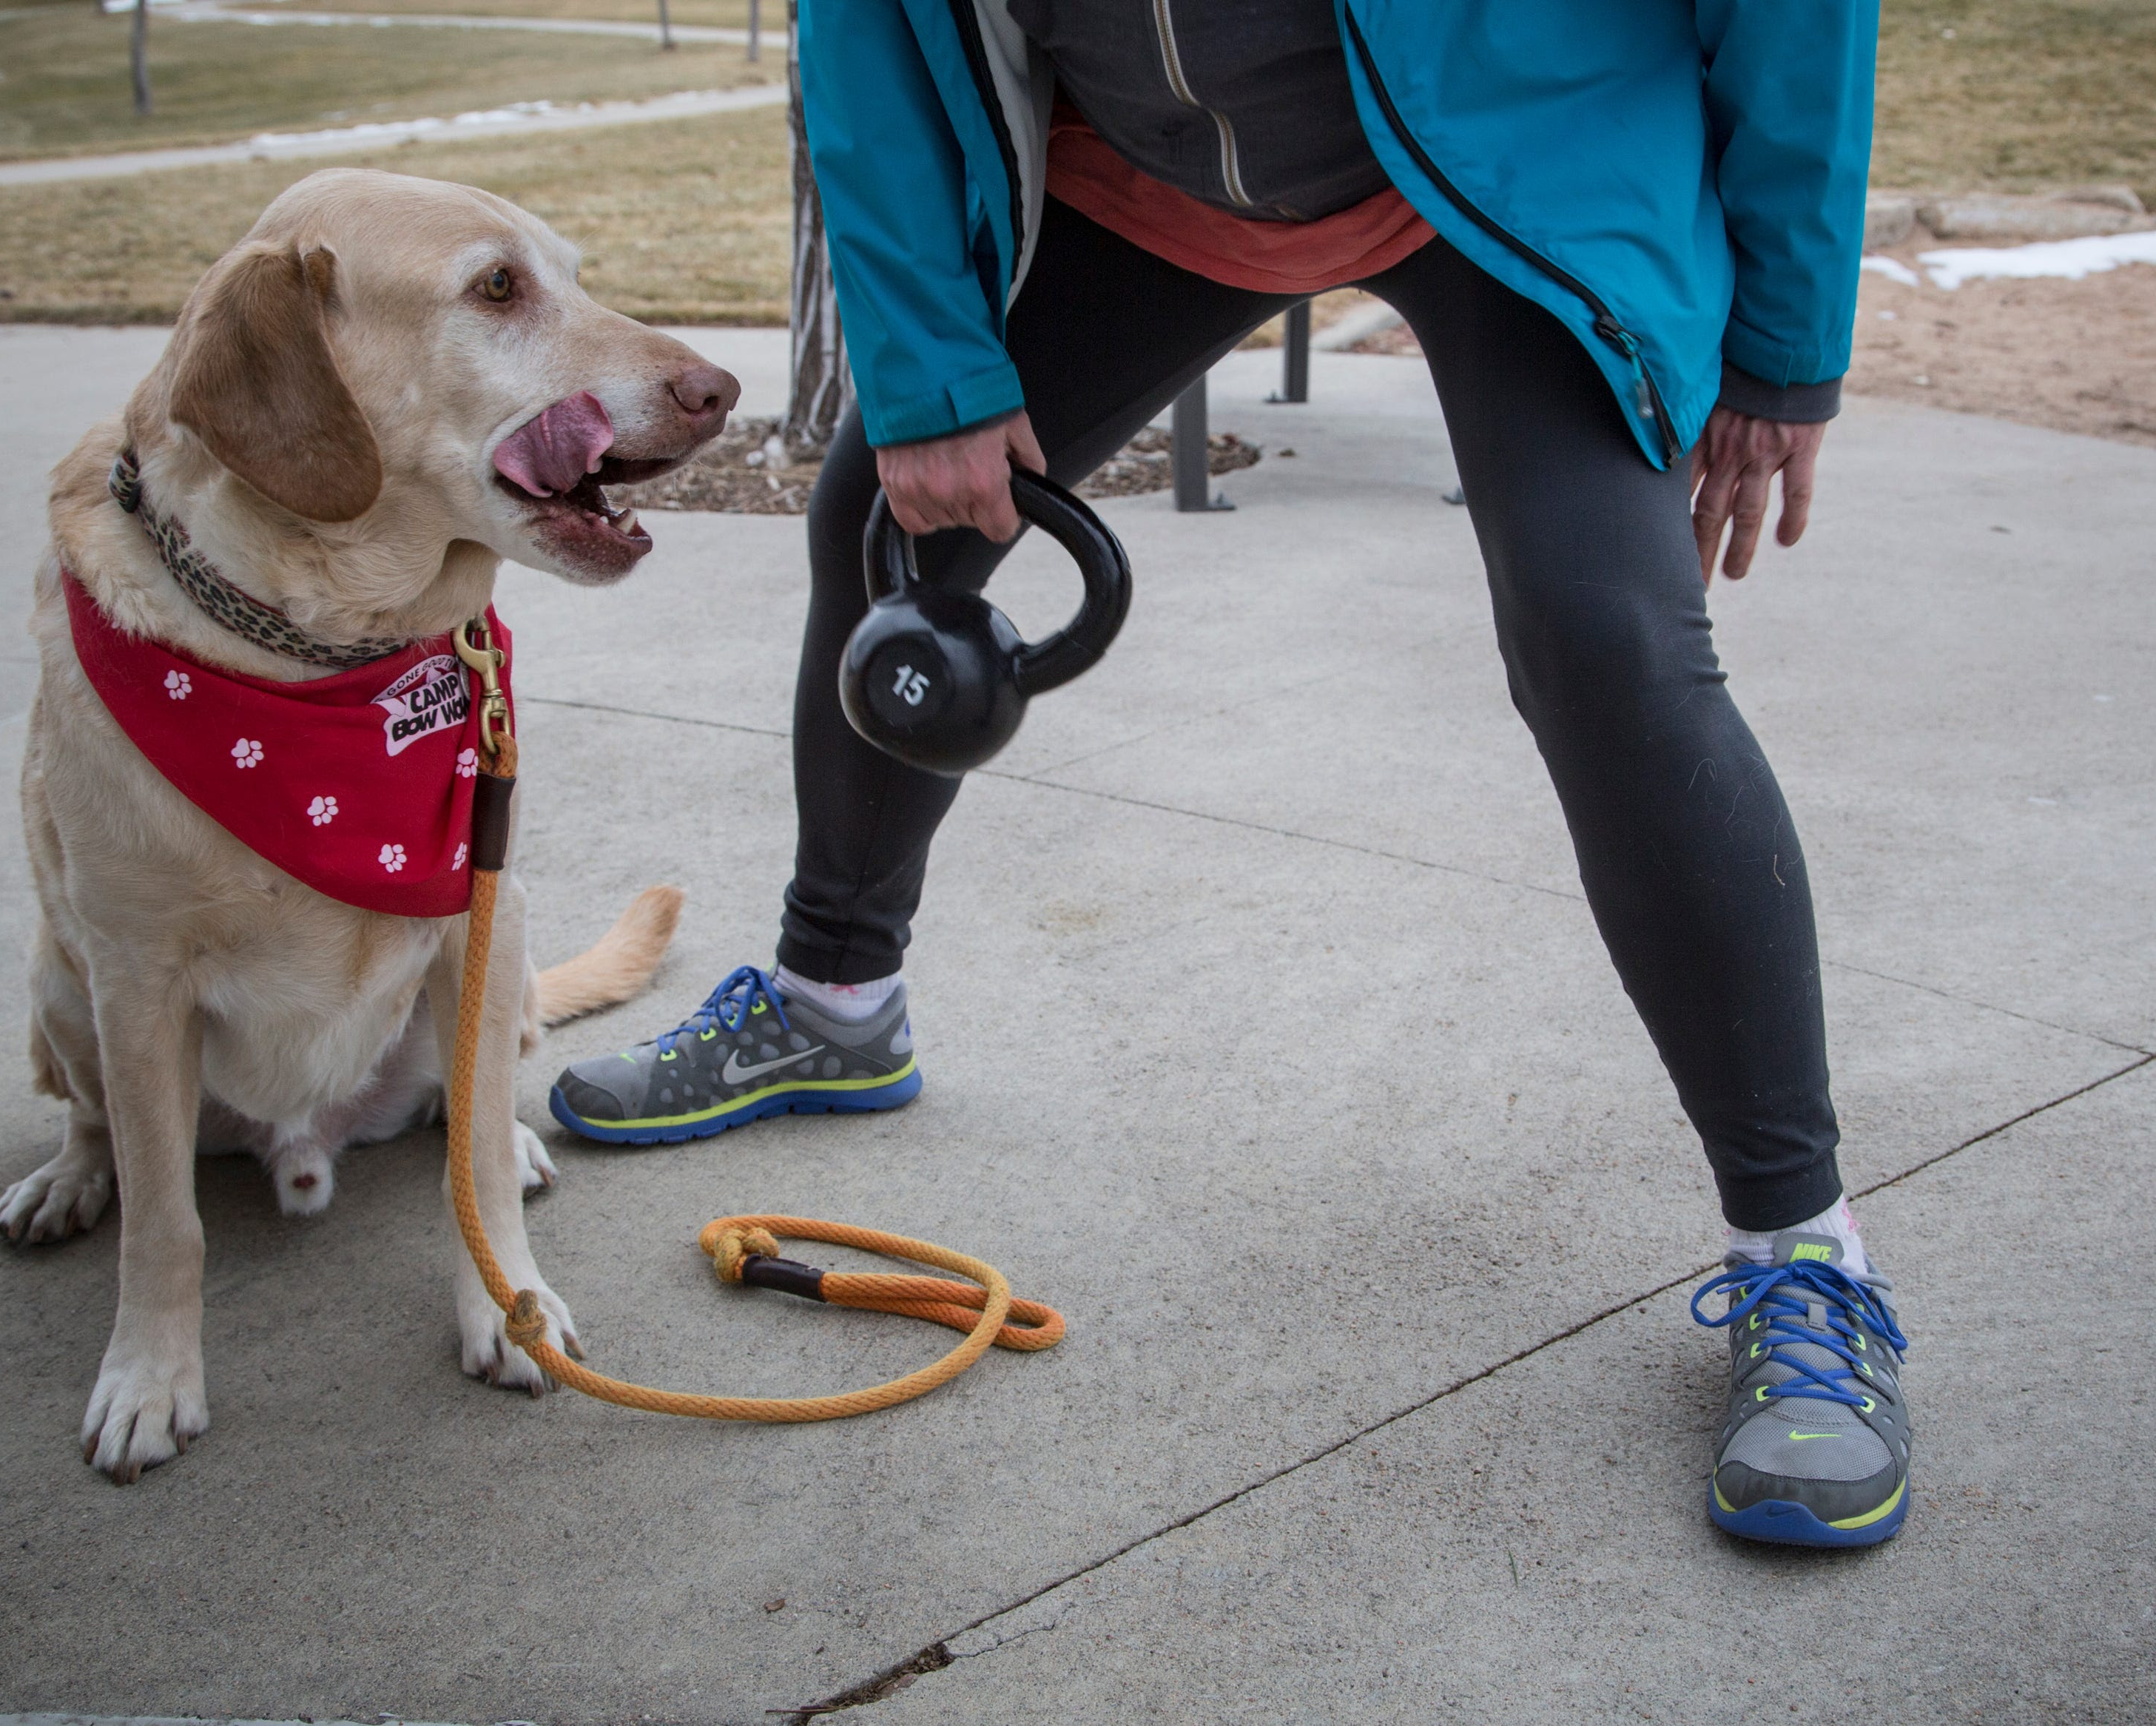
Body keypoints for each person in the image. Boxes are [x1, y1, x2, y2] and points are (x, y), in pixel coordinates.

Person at [553, 1, 1912, 1548]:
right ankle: (832, 1009)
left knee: (1605, 633)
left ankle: (1805, 1253)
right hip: (1153, 179)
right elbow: (864, 27)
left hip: (1520, 155)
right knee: (889, 520)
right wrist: (931, 366)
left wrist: (1784, 349)